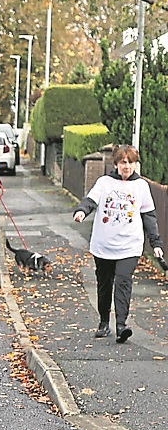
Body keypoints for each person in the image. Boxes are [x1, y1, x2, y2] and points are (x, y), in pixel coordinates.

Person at [72, 145, 164, 343]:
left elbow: (149, 216)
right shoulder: (105, 182)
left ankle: (121, 325)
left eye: (131, 162)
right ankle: (104, 322)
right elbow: (91, 200)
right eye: (123, 162)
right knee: (104, 284)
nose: (127, 166)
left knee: (123, 282)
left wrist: (156, 243)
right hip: (103, 244)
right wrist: (81, 211)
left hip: (130, 245)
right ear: (116, 164)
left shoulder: (141, 186)